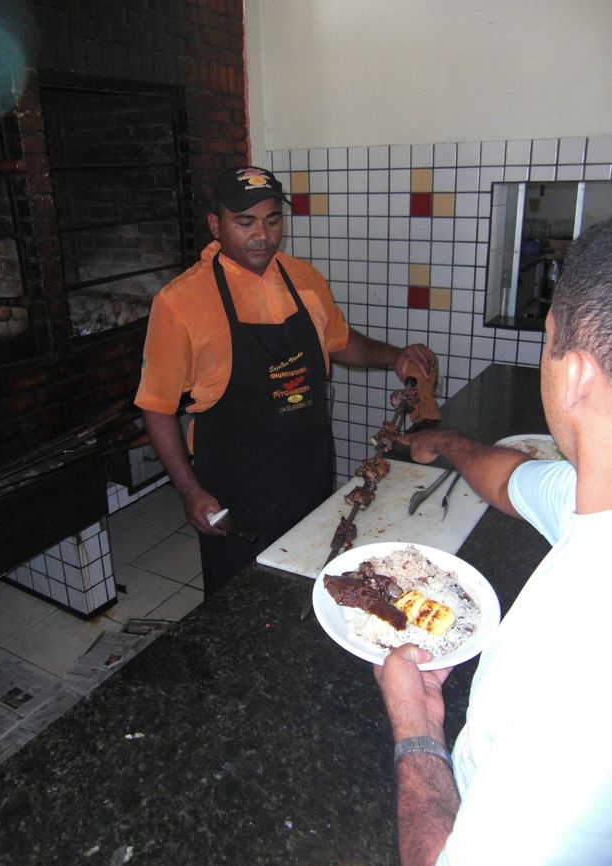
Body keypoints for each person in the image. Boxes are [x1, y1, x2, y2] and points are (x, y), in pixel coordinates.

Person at [374, 217, 612, 866]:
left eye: (548, 342)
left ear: (574, 375)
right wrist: (447, 442)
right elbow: (512, 481)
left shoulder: (573, 672)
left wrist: (416, 728)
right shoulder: (591, 496)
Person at [135, 166, 434, 594]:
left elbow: (339, 341)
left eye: (272, 220)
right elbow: (155, 405)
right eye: (245, 223)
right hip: (236, 486)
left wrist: (394, 356)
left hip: (308, 469)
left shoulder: (303, 279)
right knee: (240, 598)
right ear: (216, 225)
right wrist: (189, 489)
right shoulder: (180, 303)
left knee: (308, 579)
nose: (262, 235)